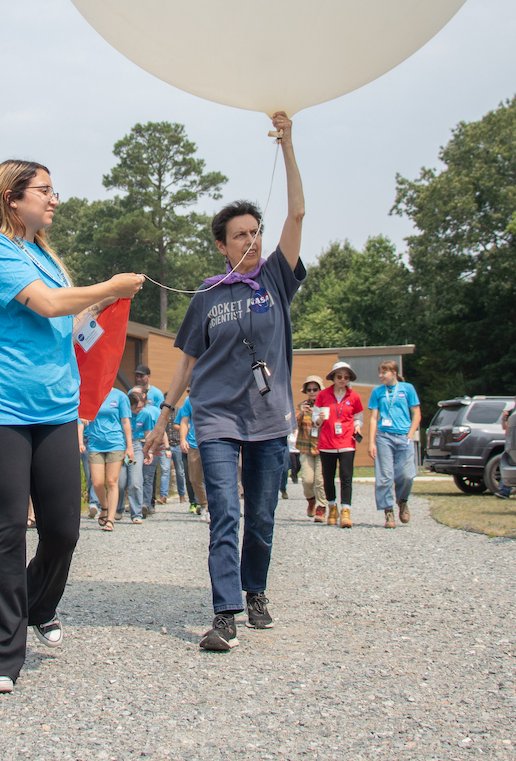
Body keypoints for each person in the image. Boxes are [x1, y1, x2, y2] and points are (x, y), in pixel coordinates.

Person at [0, 159, 143, 693]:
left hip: (56, 409)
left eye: (53, 191)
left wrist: (104, 300)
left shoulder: (44, 256)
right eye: (44, 190)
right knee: (10, 524)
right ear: (12, 199)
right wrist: (103, 283)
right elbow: (45, 305)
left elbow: (66, 320)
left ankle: (34, 605)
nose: (54, 199)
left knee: (63, 528)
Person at [146, 111, 305, 653]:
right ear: (222, 245)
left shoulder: (277, 281)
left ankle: (254, 590)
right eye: (240, 234)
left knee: (261, 516)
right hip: (214, 417)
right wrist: (164, 418)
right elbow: (187, 364)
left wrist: (287, 145)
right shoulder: (208, 296)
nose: (251, 240)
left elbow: (299, 211)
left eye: (255, 232)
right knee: (226, 513)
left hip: (268, 418)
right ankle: (224, 613)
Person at [364, 360, 421, 529]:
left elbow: (416, 414)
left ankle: (402, 500)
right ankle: (388, 511)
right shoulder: (377, 392)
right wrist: (371, 442)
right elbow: (374, 418)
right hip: (384, 437)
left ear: (394, 373)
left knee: (407, 475)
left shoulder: (407, 389)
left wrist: (410, 435)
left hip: (404, 436)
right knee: (385, 476)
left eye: (384, 372)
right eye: (380, 372)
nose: (381, 376)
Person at [315, 361, 365, 528]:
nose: (342, 379)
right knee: (328, 478)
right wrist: (320, 419)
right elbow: (315, 421)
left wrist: (357, 427)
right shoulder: (323, 395)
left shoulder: (354, 396)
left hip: (347, 442)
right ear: (333, 378)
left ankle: (346, 511)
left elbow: (358, 417)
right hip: (327, 442)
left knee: (346, 477)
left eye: (346, 377)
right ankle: (332, 506)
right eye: (339, 377)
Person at [81, 386, 133, 530]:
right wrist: (83, 416)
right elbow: (81, 413)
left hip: (116, 443)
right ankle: (104, 506)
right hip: (95, 444)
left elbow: (126, 422)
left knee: (112, 481)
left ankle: (110, 519)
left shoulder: (120, 396)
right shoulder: (91, 394)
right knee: (97, 483)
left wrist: (129, 446)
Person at [116, 387, 152, 523]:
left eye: (142, 406)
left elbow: (147, 434)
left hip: (137, 447)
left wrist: (149, 451)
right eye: (138, 407)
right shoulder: (122, 413)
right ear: (130, 406)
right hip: (121, 446)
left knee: (135, 482)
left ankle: (136, 513)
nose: (140, 410)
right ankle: (118, 509)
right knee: (120, 482)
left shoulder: (146, 415)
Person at [133, 365, 165, 514]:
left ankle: (147, 503)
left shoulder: (157, 394)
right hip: (134, 442)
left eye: (142, 376)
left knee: (149, 475)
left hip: (151, 439)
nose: (139, 379)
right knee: (137, 476)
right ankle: (141, 503)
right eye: (137, 376)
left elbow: (162, 417)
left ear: (148, 376)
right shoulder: (131, 392)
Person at [294, 375, 325, 521]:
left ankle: (321, 507)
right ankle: (311, 500)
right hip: (306, 447)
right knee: (307, 480)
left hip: (322, 448)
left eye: (315, 389)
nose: (312, 392)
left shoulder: (325, 407)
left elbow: (330, 425)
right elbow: (293, 425)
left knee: (320, 480)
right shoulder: (301, 406)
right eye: (309, 390)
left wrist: (317, 416)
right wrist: (301, 413)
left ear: (320, 390)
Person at [176, 395, 207, 518]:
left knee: (213, 477)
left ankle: (211, 507)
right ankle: (204, 504)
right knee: (194, 479)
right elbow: (184, 421)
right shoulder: (189, 399)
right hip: (194, 443)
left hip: (212, 441)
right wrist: (183, 439)